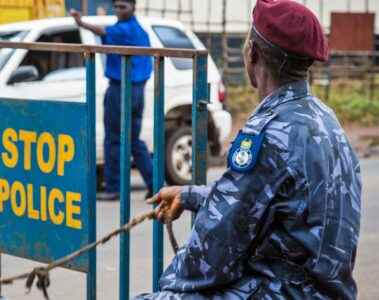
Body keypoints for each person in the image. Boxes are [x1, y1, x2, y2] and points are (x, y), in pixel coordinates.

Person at [137, 1, 362, 299]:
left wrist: (170, 285)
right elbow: (268, 197)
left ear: (252, 52)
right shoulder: (323, 117)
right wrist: (189, 195)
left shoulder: (268, 132)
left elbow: (215, 250)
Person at [70, 0, 154, 201]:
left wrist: (81, 23)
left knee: (114, 139)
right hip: (137, 90)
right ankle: (156, 184)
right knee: (133, 140)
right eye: (115, 7)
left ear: (133, 7)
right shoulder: (140, 30)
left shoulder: (124, 30)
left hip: (121, 89)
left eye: (122, 7)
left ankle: (114, 187)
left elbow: (102, 32)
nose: (118, 11)